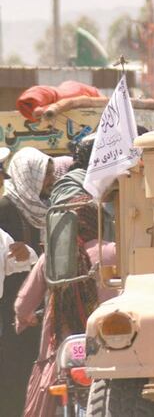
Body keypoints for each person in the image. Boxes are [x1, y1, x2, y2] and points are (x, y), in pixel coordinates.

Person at [17, 195, 118, 417]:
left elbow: (23, 304)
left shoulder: (51, 258)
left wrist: (26, 318)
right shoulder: (114, 252)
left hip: (65, 348)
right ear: (96, 222)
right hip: (109, 343)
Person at [0, 148, 63, 417]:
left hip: (38, 296)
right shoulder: (5, 208)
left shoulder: (43, 208)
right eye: (45, 173)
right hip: (11, 299)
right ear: (30, 175)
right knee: (14, 363)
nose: (50, 179)